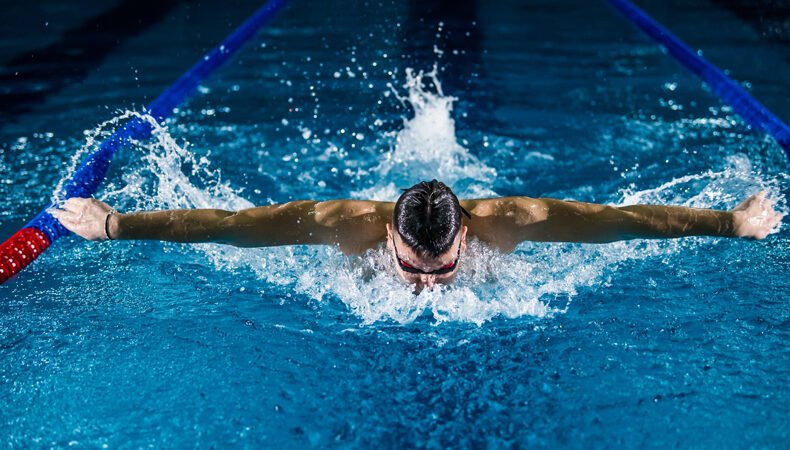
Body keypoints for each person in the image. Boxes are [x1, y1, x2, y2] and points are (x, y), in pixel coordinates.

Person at [50, 180, 783, 292]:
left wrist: (730, 223)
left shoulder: (515, 221)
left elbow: (624, 222)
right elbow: (231, 228)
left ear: (468, 231)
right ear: (388, 237)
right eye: (412, 267)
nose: (425, 287)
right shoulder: (343, 226)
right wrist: (115, 225)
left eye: (439, 270)